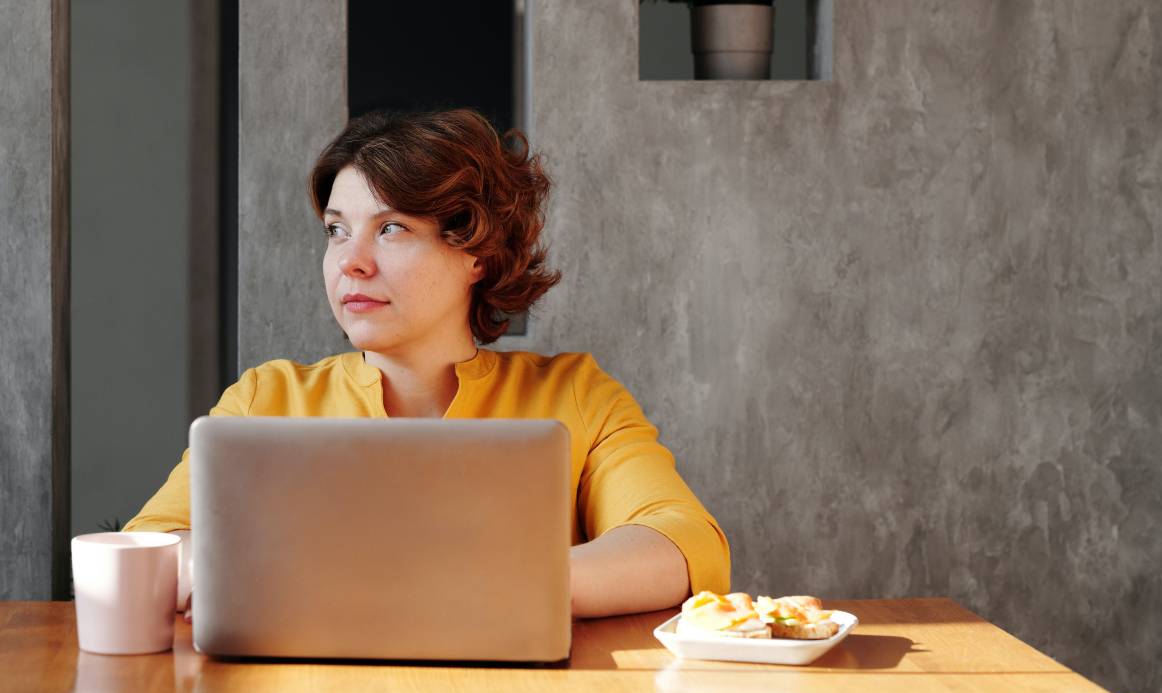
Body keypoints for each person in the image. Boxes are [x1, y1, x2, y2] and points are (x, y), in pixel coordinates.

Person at [122, 108, 730, 620]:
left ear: (478, 255)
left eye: (390, 229)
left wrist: (474, 587)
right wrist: (220, 566)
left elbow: (684, 543)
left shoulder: (575, 395)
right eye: (337, 231)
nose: (350, 262)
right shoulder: (265, 398)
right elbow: (147, 545)